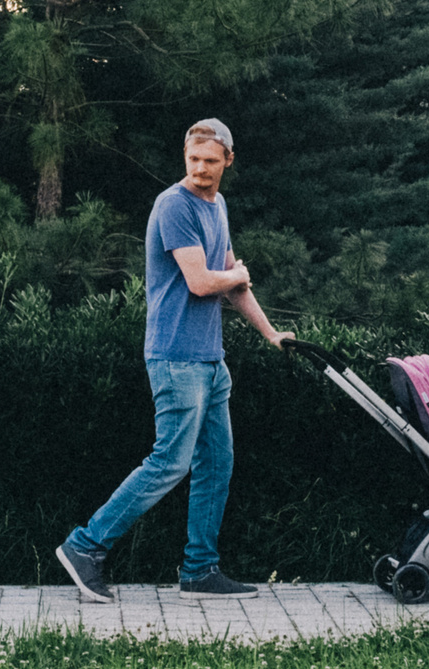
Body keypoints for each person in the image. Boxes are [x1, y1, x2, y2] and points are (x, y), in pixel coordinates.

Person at [56, 118, 291, 602]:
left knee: (217, 464)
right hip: (175, 356)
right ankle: (85, 546)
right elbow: (203, 282)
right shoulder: (174, 205)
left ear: (228, 160)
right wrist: (236, 274)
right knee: (169, 462)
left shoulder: (218, 206)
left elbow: (233, 283)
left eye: (210, 161)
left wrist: (271, 333)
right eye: (193, 159)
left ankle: (200, 570)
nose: (200, 169)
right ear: (185, 156)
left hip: (209, 358)